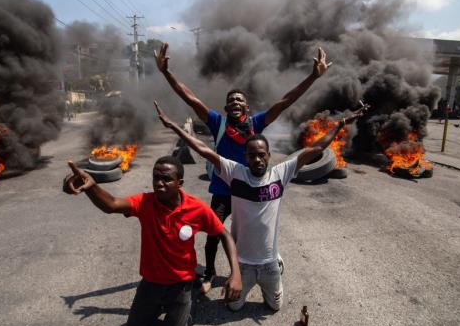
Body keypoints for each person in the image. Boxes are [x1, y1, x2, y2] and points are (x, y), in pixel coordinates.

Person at [154, 42, 331, 293]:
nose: (235, 101)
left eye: (239, 99)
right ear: (227, 108)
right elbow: (190, 98)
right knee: (213, 231)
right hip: (224, 189)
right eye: (231, 100)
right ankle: (210, 273)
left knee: (257, 231)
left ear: (246, 107)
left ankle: (268, 262)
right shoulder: (218, 122)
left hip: (251, 188)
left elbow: (285, 101)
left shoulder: (256, 124)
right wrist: (166, 73)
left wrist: (313, 76)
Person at [154, 101, 365, 312]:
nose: (257, 159)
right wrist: (174, 126)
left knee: (275, 307)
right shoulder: (234, 172)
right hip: (242, 264)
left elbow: (316, 148)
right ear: (245, 157)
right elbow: (202, 149)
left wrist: (340, 124)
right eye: (252, 155)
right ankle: (242, 281)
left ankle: (277, 266)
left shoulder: (280, 174)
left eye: (261, 154)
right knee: (233, 307)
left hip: (269, 264)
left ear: (268, 156)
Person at [63, 156, 242, 326]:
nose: (159, 183)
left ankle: (190, 304)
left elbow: (224, 234)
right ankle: (164, 307)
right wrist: (90, 187)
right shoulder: (145, 202)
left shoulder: (196, 208)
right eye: (156, 178)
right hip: (151, 283)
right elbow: (112, 204)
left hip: (181, 284)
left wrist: (236, 273)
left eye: (166, 179)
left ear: (180, 183)